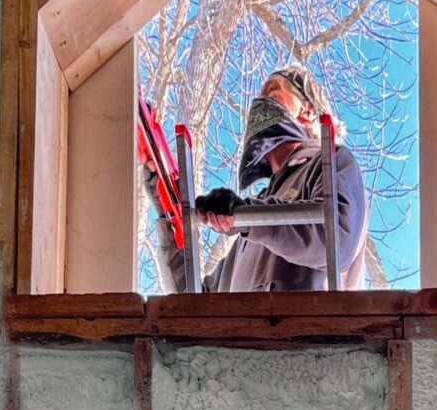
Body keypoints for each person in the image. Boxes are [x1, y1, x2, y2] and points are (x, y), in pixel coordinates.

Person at [144, 66, 367, 292]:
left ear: (307, 111)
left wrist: (248, 218)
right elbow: (194, 306)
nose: (258, 105)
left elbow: (339, 239)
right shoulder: (250, 232)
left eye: (271, 93)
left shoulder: (331, 163)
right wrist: (168, 212)